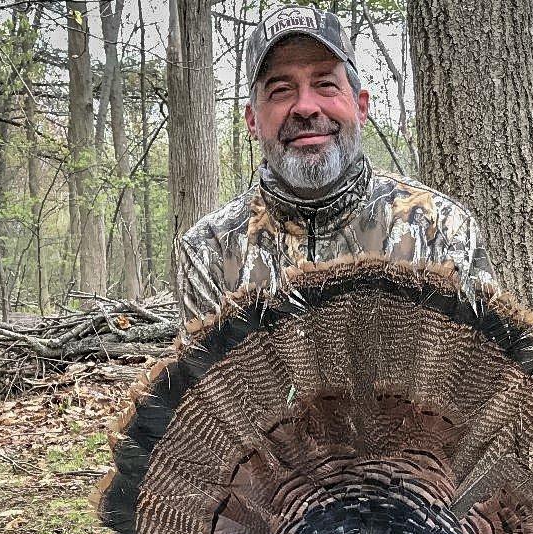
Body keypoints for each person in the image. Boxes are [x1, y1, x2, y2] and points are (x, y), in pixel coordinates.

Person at [178, 5, 497, 327]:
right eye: (280, 90)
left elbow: (487, 372)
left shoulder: (440, 228)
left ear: (360, 107)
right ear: (252, 120)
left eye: (326, 85)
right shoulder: (211, 249)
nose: (305, 107)